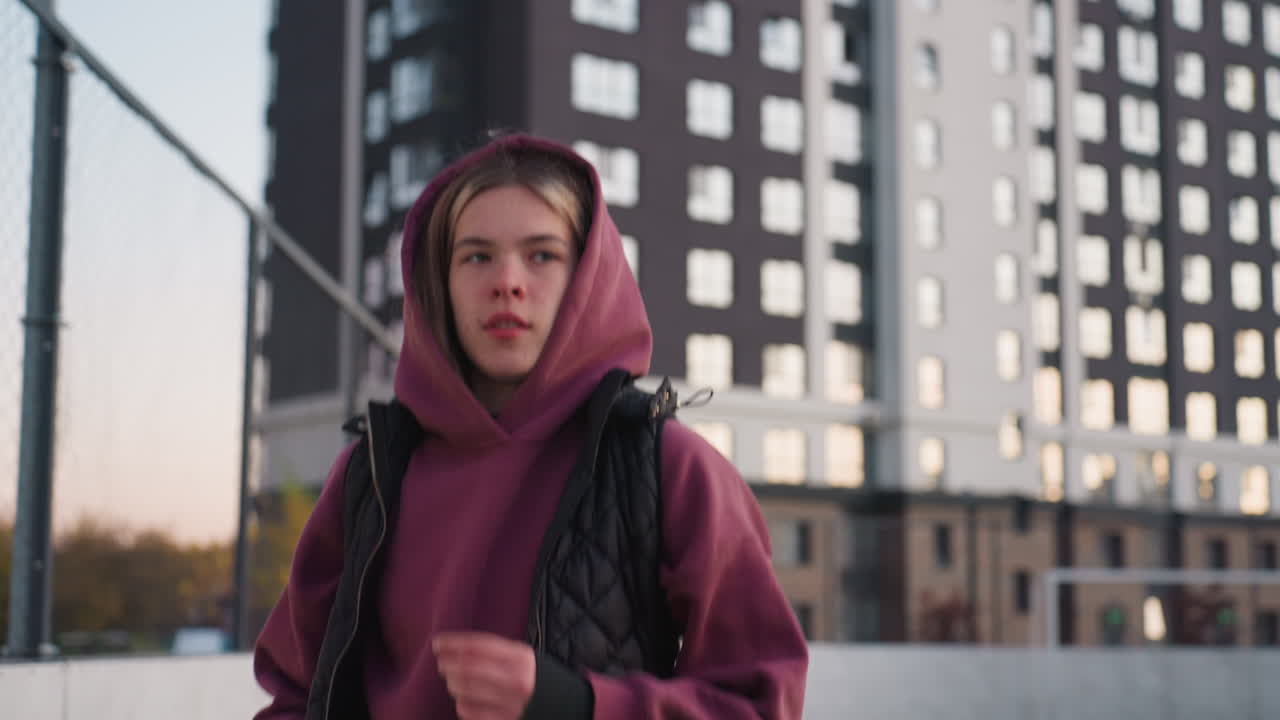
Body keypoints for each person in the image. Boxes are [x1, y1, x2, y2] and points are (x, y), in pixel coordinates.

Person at [252, 132, 809, 720]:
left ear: (588, 279)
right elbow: (294, 692)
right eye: (476, 256)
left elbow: (762, 702)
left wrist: (578, 705)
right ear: (437, 282)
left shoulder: (669, 467)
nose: (507, 282)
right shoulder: (369, 476)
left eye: (542, 254)